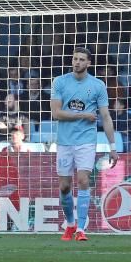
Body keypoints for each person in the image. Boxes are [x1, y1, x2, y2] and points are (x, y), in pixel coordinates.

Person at [51, 48, 118, 242]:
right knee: (64, 187)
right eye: (74, 59)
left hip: (86, 141)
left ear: (89, 63)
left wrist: (112, 147)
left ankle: (81, 228)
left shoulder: (97, 86)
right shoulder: (60, 82)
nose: (77, 62)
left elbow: (105, 116)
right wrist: (83, 115)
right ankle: (70, 224)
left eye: (81, 60)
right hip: (64, 141)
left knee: (83, 180)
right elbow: (56, 113)